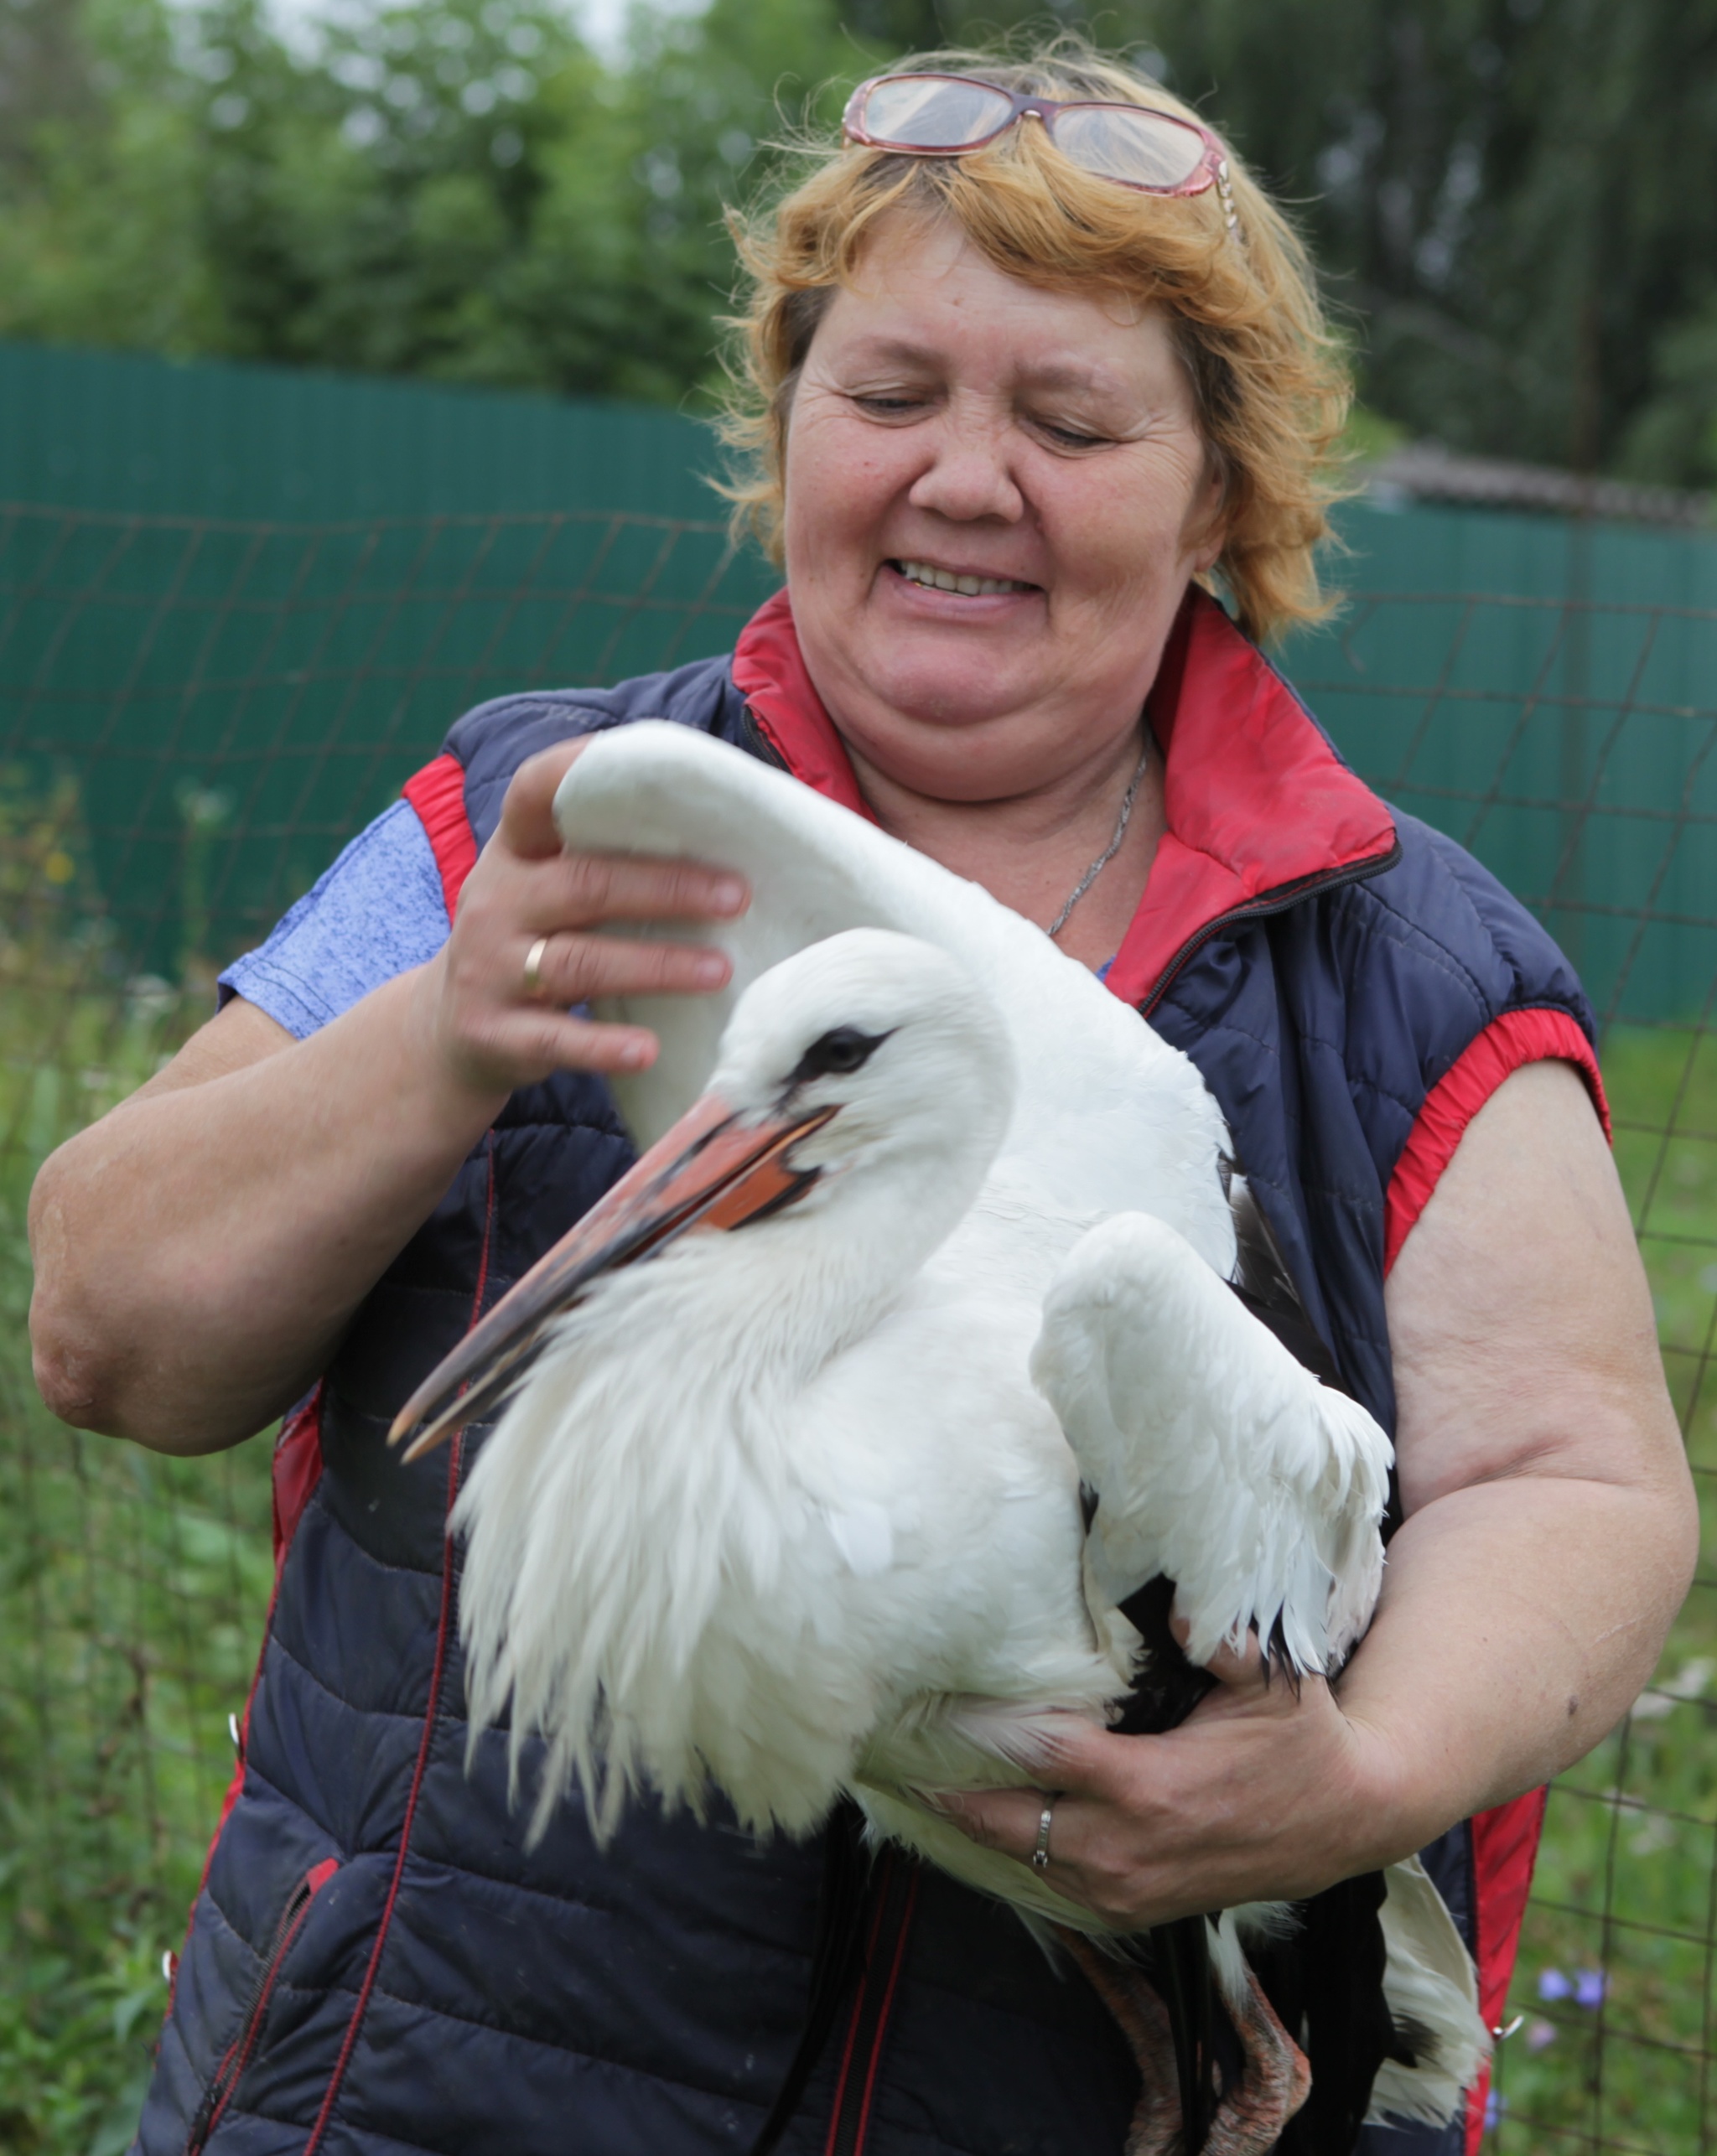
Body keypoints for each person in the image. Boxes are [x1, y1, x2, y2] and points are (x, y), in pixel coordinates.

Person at [29, 43, 1694, 2156]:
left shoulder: (1404, 967)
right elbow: (105, 1328)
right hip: (410, 2091)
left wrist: (1351, 1782)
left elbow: (1585, 1489)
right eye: (887, 395)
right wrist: (456, 1021)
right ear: (790, 428)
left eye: (1069, 419)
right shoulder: (528, 827)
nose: (961, 479)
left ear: (1217, 489)